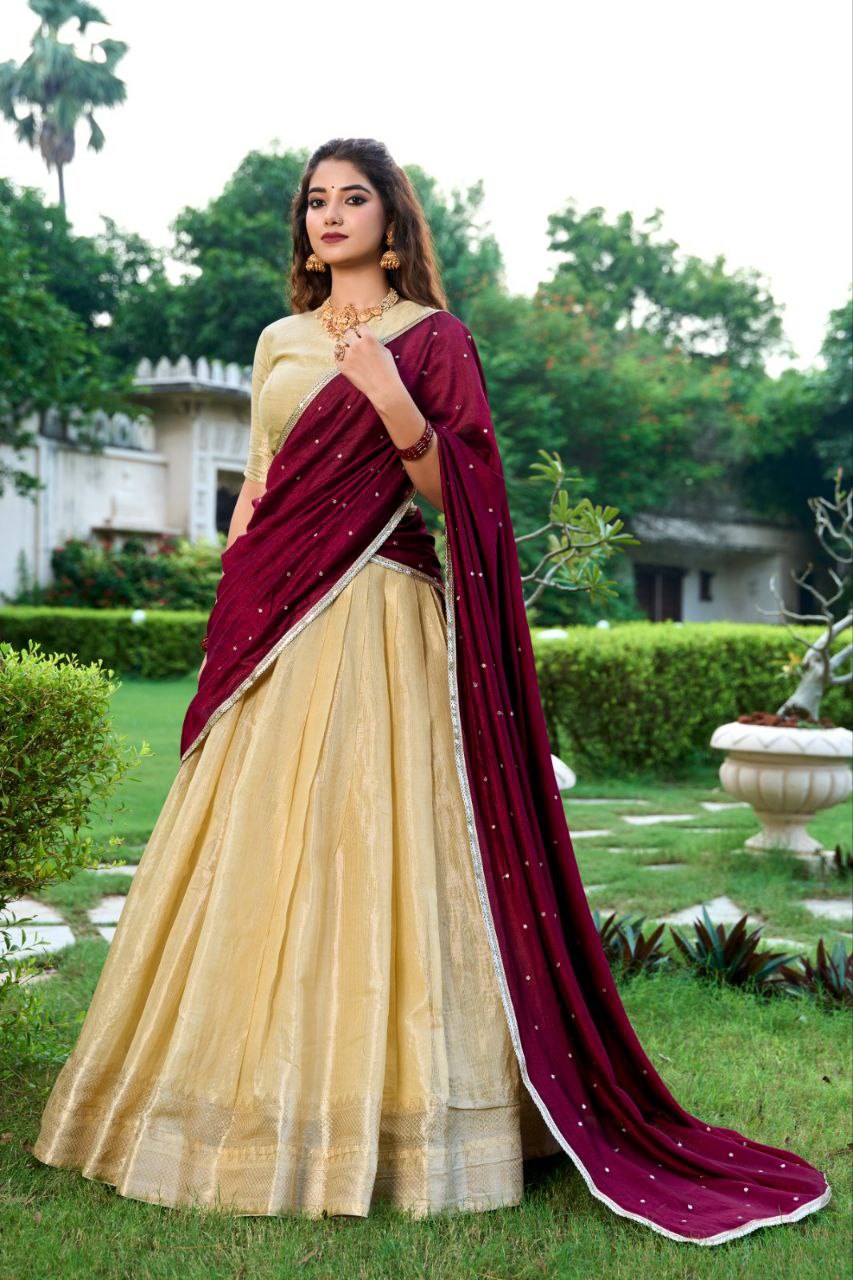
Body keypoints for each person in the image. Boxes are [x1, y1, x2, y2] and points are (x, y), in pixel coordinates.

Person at [32, 138, 832, 1243]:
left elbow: (462, 492)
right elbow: (258, 487)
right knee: (256, 846)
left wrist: (388, 395)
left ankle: (411, 1112)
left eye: (352, 197)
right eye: (315, 200)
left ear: (391, 220)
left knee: (381, 841)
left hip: (382, 612)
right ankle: (228, 1098)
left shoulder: (434, 340)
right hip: (276, 617)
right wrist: (236, 593)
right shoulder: (277, 341)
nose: (329, 215)